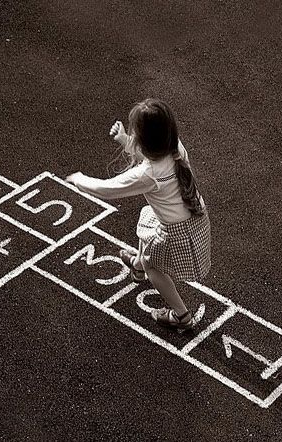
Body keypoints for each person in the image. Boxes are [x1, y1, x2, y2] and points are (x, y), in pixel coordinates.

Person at [66, 98, 211, 331]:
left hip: (177, 231)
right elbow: (153, 151)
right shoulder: (175, 146)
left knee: (155, 269)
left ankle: (182, 316)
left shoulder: (148, 174)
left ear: (144, 140)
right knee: (148, 222)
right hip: (195, 217)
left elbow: (106, 189)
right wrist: (125, 140)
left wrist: (79, 179)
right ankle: (137, 265)